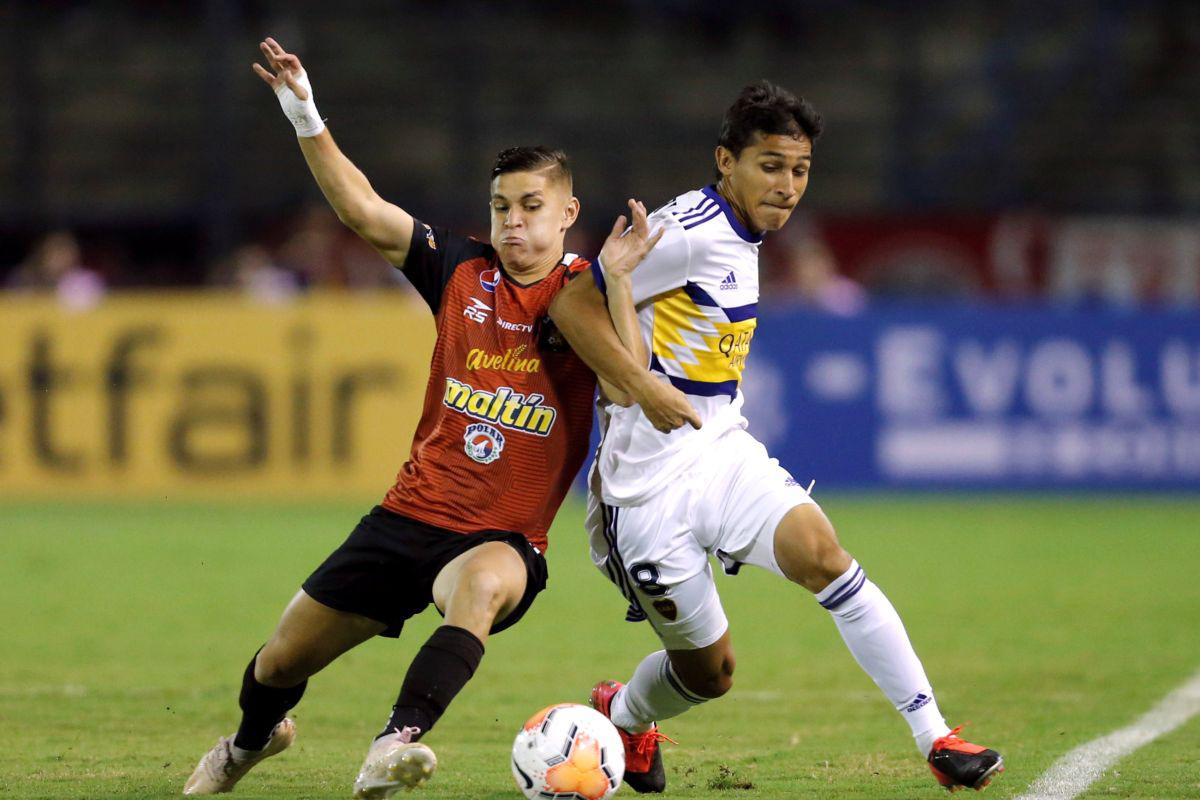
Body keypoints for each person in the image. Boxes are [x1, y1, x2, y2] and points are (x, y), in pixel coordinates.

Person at [183, 37, 695, 798]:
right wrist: (304, 113)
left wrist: (619, 280)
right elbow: (362, 209)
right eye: (501, 207)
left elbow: (631, 385)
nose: (513, 223)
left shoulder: (583, 292)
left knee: (480, 590)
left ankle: (394, 745)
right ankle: (250, 743)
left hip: (503, 537)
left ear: (568, 213)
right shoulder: (460, 268)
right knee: (281, 662)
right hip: (408, 516)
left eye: (531, 208)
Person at [548, 81, 1005, 794]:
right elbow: (570, 306)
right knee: (709, 674)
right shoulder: (685, 232)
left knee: (824, 555)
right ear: (725, 161)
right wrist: (642, 386)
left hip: (720, 451)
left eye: (800, 170)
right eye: (770, 166)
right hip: (643, 487)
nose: (787, 186)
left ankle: (937, 738)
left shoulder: (745, 233)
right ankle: (626, 715)